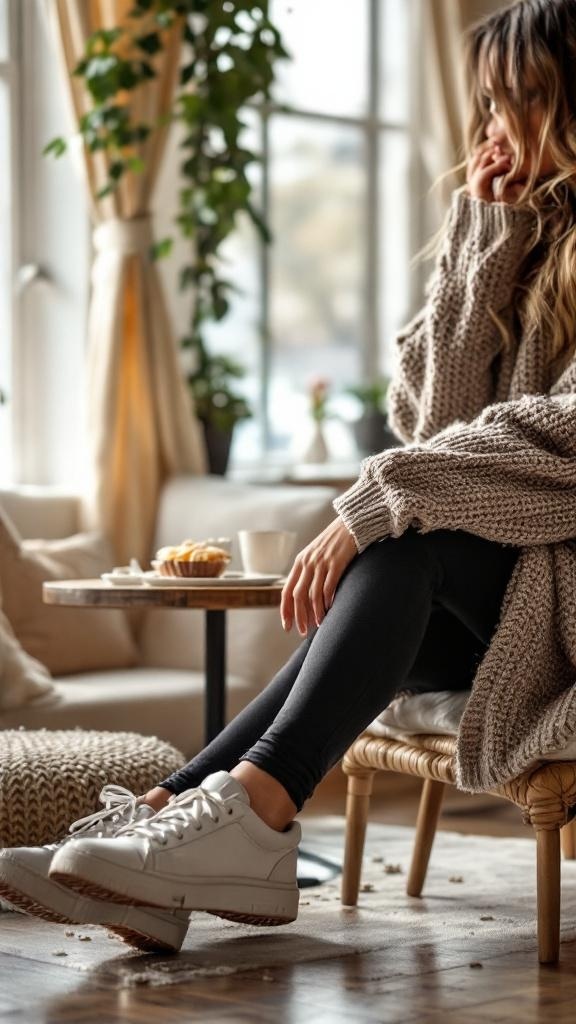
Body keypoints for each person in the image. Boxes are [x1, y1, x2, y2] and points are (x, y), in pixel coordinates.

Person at [3, 0, 576, 954]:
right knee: (404, 537)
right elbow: (429, 430)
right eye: (485, 102)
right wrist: (481, 254)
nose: (494, 129)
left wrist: (383, 501)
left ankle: (241, 822)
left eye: (521, 98)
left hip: (556, 609)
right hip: (497, 610)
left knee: (409, 536)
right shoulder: (500, 238)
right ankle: (171, 821)